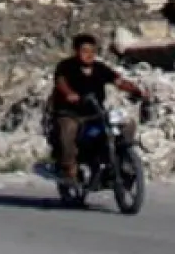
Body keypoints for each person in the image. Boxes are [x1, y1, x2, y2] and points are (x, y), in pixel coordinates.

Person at [49, 33, 146, 187]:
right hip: (71, 113)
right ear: (76, 51)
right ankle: (69, 170)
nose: (89, 55)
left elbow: (118, 81)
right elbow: (61, 82)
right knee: (68, 129)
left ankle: (122, 161)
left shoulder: (100, 68)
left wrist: (136, 90)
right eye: (85, 51)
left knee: (126, 124)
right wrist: (69, 94)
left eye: (92, 51)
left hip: (95, 113)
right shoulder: (66, 66)